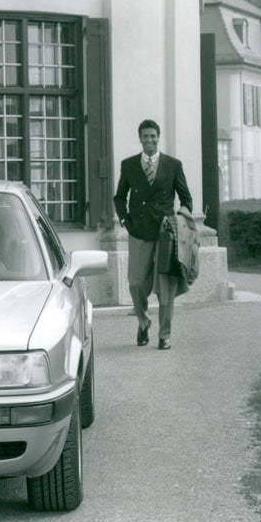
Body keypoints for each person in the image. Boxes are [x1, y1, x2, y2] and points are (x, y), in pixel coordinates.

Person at [114, 119, 193, 350]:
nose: (149, 140)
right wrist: (125, 220)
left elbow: (186, 198)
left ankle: (164, 335)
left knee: (165, 286)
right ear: (140, 138)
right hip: (138, 231)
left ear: (159, 138)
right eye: (145, 136)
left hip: (166, 234)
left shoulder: (173, 165)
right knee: (136, 283)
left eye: (153, 136)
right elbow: (119, 197)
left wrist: (180, 218)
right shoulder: (128, 165)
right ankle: (143, 321)